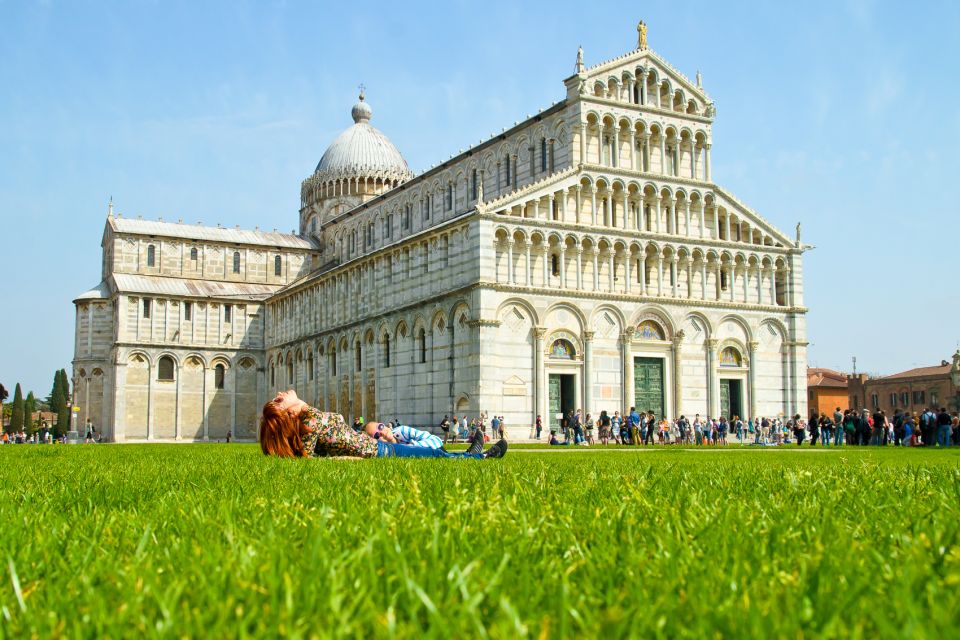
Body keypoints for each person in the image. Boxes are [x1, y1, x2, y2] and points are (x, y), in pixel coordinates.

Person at [260, 390, 507, 459]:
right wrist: (344, 459)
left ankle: (471, 454)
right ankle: (480, 457)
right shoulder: (310, 419)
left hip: (372, 448)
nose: (282, 392)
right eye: (279, 400)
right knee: (431, 455)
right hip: (378, 451)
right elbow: (308, 458)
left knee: (430, 454)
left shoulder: (308, 420)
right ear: (286, 414)